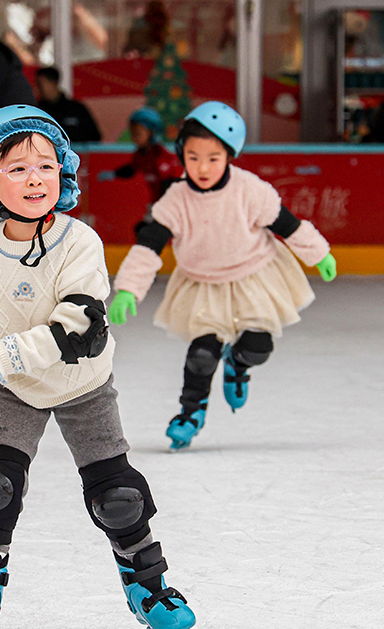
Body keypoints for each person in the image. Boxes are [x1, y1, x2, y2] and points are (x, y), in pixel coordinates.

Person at [0, 105, 196, 629]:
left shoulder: (79, 243)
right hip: (16, 389)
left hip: (84, 384)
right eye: (17, 169)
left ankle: (148, 586)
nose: (35, 179)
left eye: (46, 166)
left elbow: (79, 328)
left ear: (64, 171)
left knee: (118, 497)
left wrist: (3, 352)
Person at [107, 102, 338, 450]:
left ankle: (237, 364)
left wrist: (318, 253)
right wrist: (128, 289)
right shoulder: (176, 199)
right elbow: (149, 246)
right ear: (182, 155)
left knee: (257, 349)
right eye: (193, 157)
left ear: (229, 157)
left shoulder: (249, 189)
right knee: (201, 355)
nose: (202, 168)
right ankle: (190, 413)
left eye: (213, 158)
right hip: (202, 283)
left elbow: (286, 224)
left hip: (253, 277)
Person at [97, 106, 183, 236]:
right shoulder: (141, 154)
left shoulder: (160, 155)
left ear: (152, 133)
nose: (134, 138)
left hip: (171, 204)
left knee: (149, 233)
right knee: (142, 230)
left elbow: (169, 183)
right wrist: (113, 174)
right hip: (157, 203)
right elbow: (132, 169)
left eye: (138, 134)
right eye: (132, 134)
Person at [34, 66, 101, 143]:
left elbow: (95, 137)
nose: (38, 89)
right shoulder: (37, 112)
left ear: (53, 83)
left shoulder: (76, 109)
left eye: (40, 84)